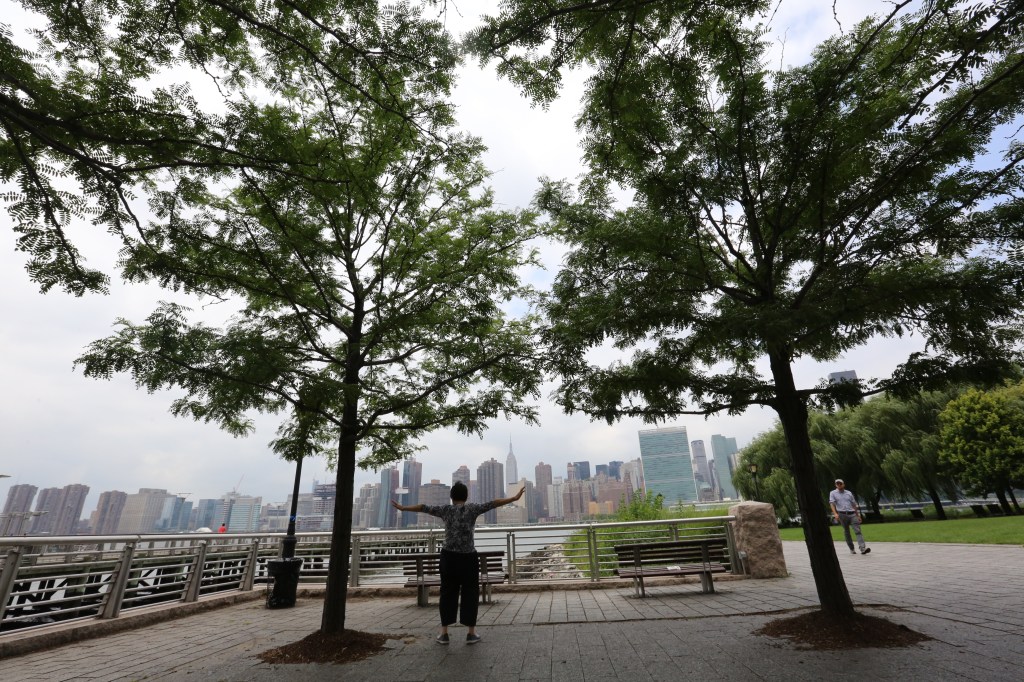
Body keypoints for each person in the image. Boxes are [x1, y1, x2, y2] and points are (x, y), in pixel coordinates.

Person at [392, 482, 524, 645]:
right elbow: (493, 503)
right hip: (468, 557)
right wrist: (514, 497)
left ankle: (444, 633)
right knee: (470, 594)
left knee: (447, 593)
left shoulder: (445, 510)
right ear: (466, 496)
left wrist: (403, 508)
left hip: (449, 558)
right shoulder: (472, 509)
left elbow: (423, 507)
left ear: (451, 497)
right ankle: (471, 633)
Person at [829, 479, 870, 555]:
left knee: (858, 531)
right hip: (842, 514)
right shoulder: (833, 493)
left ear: (843, 484)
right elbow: (832, 504)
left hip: (852, 514)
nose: (839, 485)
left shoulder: (849, 493)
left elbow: (854, 504)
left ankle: (862, 548)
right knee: (847, 532)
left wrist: (858, 515)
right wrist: (835, 513)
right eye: (837, 484)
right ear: (836, 485)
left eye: (840, 484)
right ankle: (851, 548)